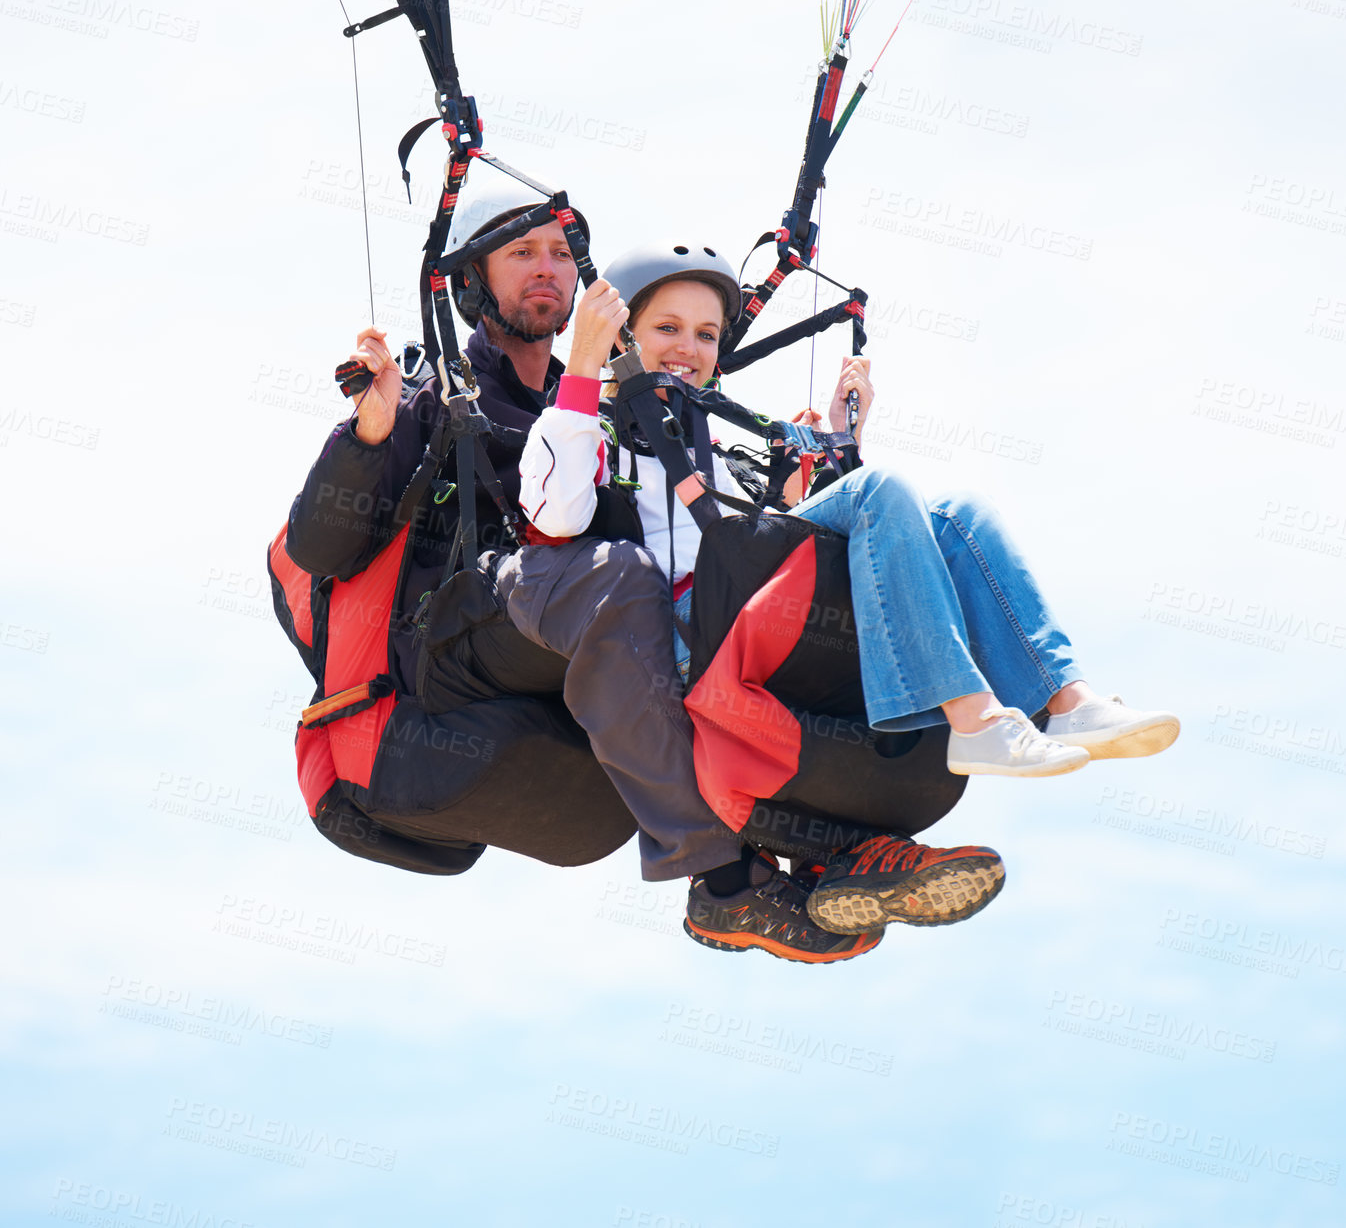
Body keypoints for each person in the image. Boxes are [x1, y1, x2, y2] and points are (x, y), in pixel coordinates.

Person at [288, 180, 885, 963]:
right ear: (471, 280)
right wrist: (369, 433)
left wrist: (802, 485)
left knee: (726, 597)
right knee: (621, 576)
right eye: (521, 253)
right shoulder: (432, 397)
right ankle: (720, 878)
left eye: (563, 255)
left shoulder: (619, 408)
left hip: (565, 651)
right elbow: (320, 547)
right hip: (453, 650)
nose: (548, 268)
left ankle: (836, 846)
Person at [516, 241, 1180, 938]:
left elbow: (794, 535)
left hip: (756, 607)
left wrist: (838, 442)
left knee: (959, 514)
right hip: (691, 636)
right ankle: (976, 720)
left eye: (706, 334)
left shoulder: (719, 449)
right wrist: (585, 366)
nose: (689, 347)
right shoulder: (586, 428)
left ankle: (1062, 699)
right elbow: (555, 514)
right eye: (667, 328)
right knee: (882, 491)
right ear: (621, 336)